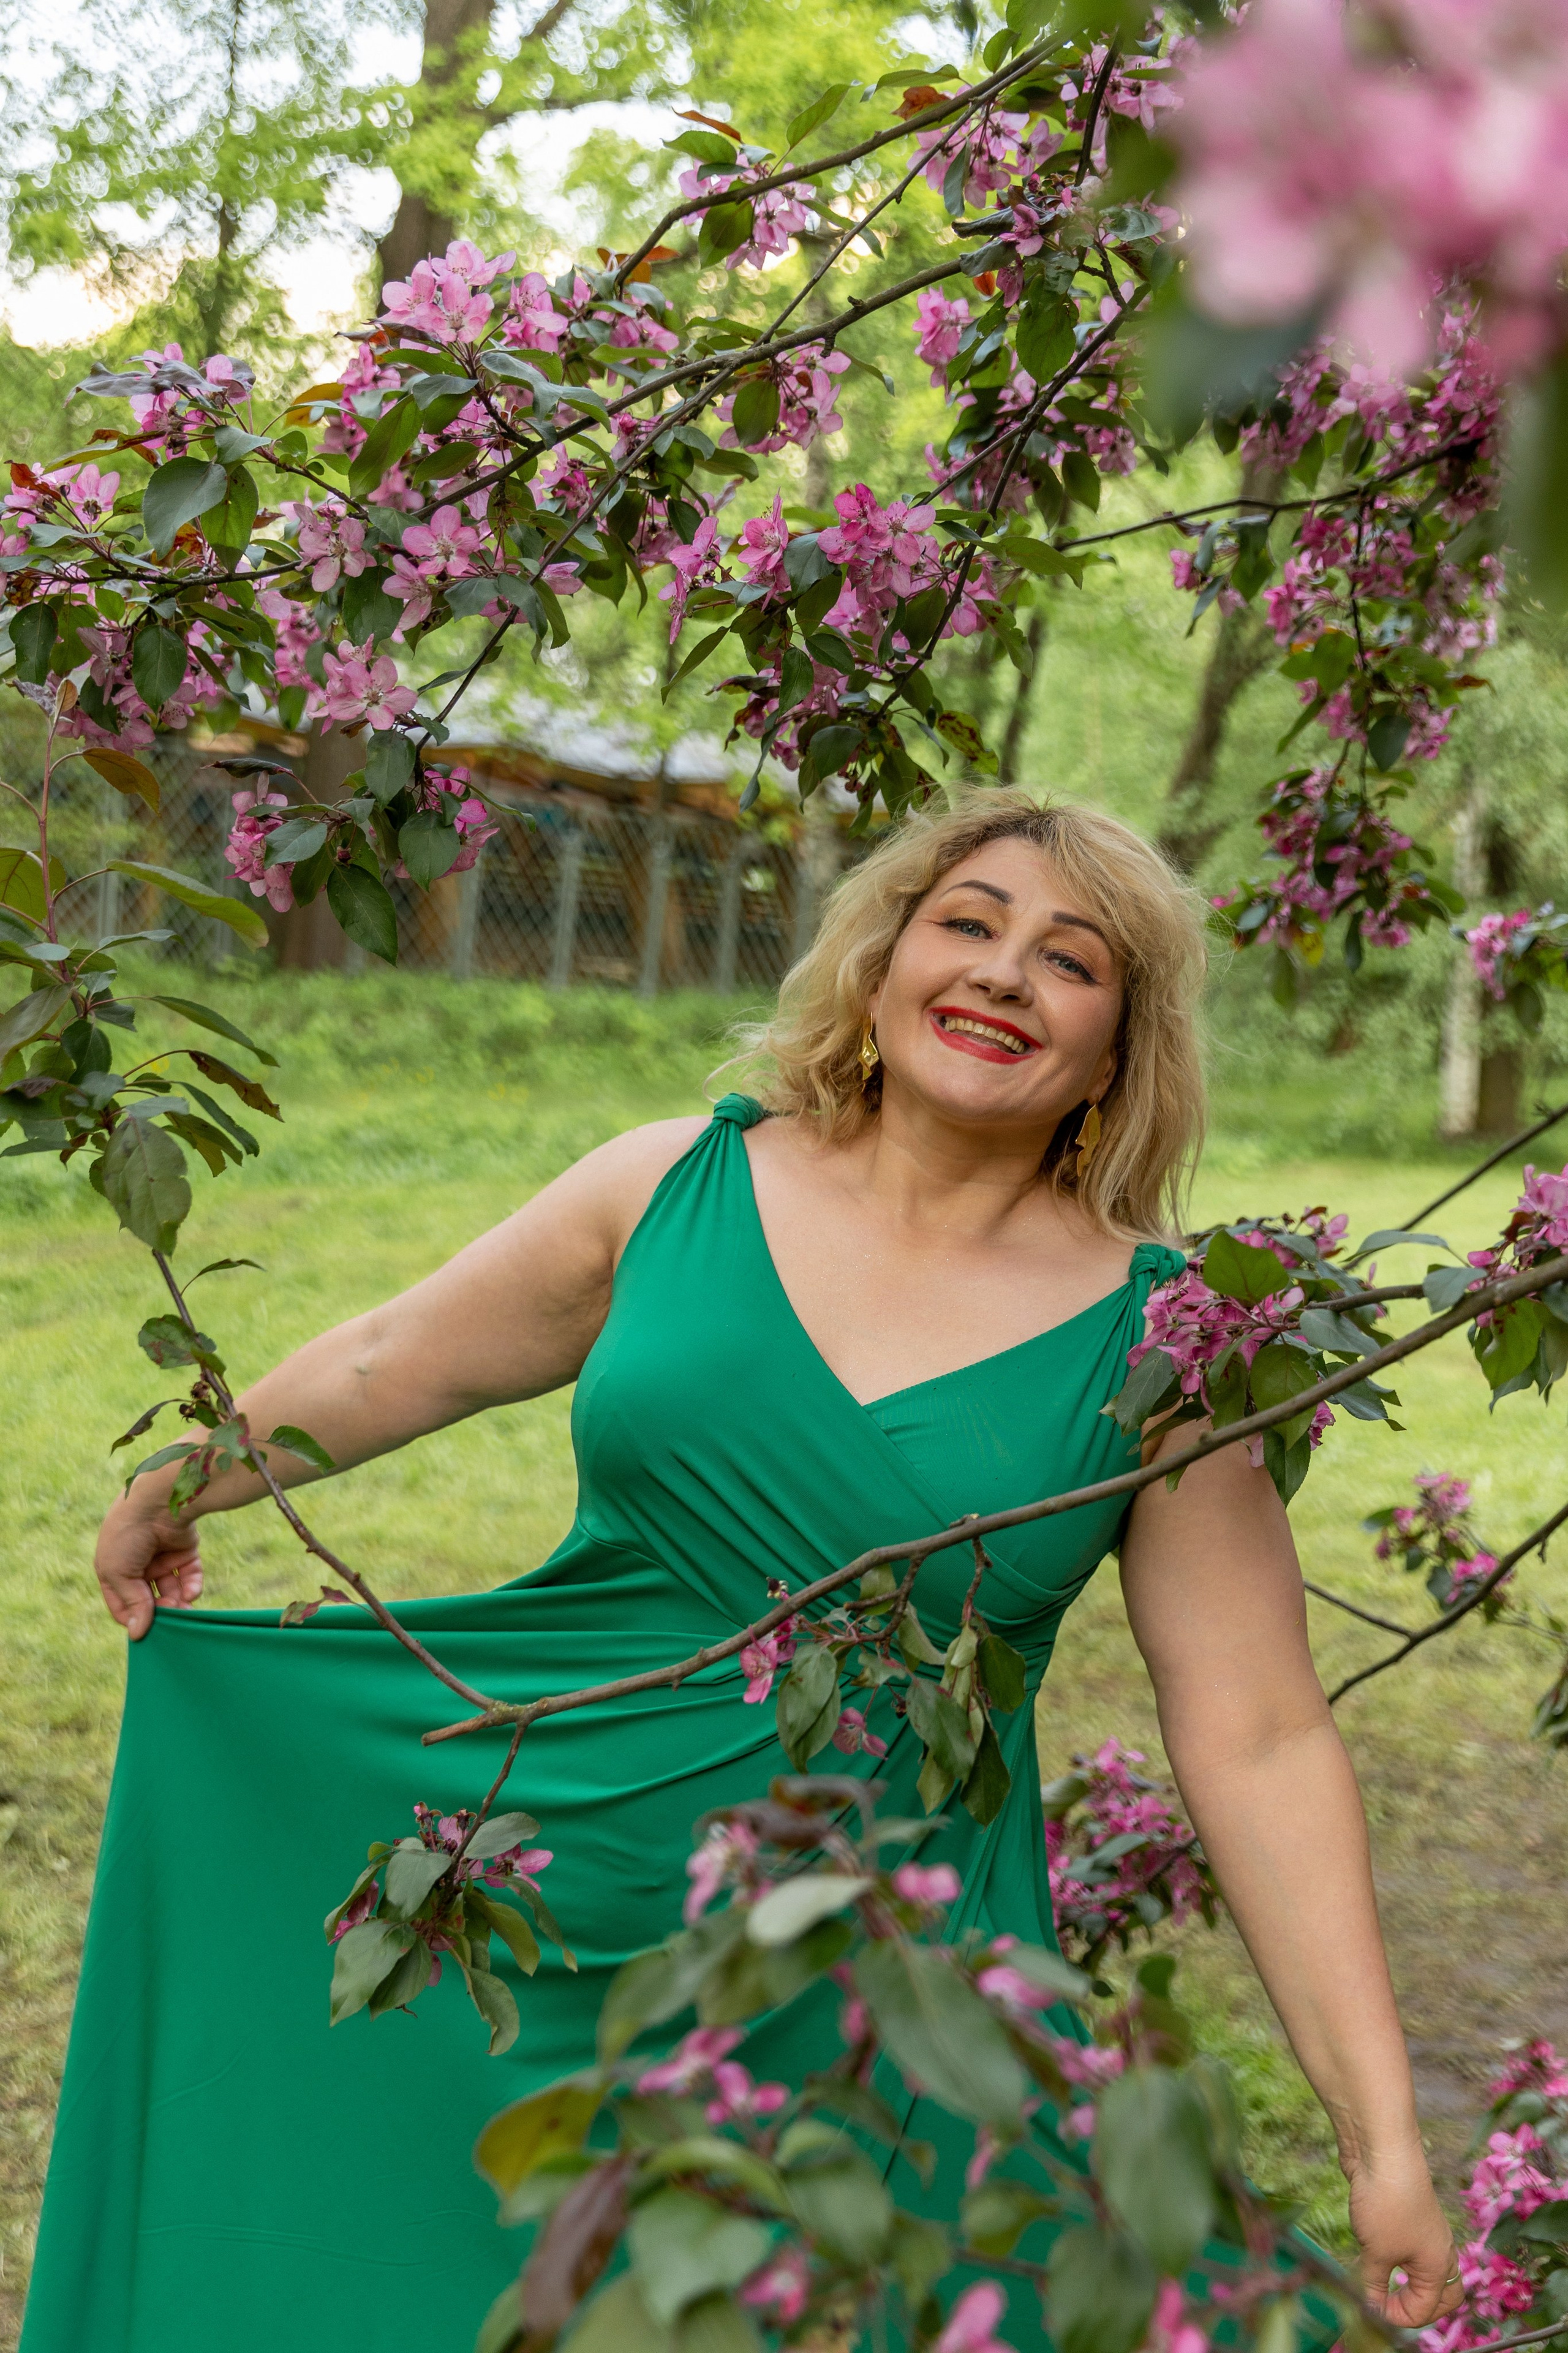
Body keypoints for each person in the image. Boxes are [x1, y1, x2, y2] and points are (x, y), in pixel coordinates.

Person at [27, 791, 1461, 2353]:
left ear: (1117, 1046)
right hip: (536, 1864)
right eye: (965, 925)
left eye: (1069, 961)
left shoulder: (1168, 1345)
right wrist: (192, 1474)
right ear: (881, 956)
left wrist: (1378, 2136)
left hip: (875, 1972)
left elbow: (1255, 1735)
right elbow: (395, 1359)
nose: (1000, 976)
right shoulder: (670, 1184)